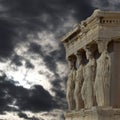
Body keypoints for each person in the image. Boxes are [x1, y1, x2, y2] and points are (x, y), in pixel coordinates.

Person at [94, 41, 111, 106]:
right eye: (98, 47)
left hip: (103, 75)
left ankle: (104, 105)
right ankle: (100, 104)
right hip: (98, 76)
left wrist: (106, 75)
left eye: (100, 46)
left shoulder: (106, 55)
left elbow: (109, 65)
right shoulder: (101, 56)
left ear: (104, 46)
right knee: (99, 91)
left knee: (103, 91)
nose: (99, 48)